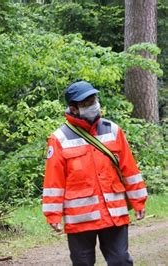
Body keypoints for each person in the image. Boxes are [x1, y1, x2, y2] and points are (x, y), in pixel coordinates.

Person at [42, 80, 148, 265]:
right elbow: (54, 181)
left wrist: (139, 202)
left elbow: (129, 169)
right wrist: (53, 214)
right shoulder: (59, 139)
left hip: (114, 214)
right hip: (81, 218)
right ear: (73, 108)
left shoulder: (113, 131)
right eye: (86, 103)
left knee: (121, 261)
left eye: (94, 99)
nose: (93, 105)